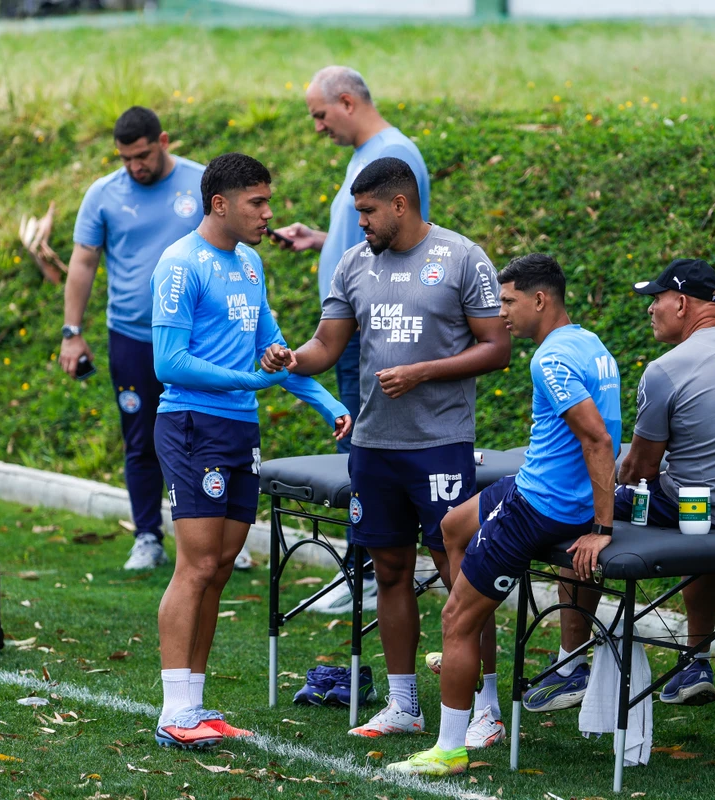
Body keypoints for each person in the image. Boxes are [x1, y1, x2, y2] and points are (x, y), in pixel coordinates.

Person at [261, 156, 510, 740]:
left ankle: (487, 708)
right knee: (390, 570)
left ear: (401, 204)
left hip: (439, 445)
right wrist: (293, 358)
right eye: (357, 213)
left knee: (463, 576)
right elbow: (327, 343)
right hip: (372, 446)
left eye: (368, 212)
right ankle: (404, 705)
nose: (361, 223)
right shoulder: (353, 263)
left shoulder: (462, 257)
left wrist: (423, 372)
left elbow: (496, 348)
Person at [387, 253, 622, 777]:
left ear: (540, 299)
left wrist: (601, 530)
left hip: (540, 507)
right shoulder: (591, 344)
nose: (501, 312)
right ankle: (470, 643)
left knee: (454, 618)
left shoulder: (550, 360)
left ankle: (456, 740)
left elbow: (598, 439)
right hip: (544, 488)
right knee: (452, 526)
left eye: (509, 301)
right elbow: (584, 439)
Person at [522, 258, 715, 714]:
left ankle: (569, 668)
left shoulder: (667, 369)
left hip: (702, 512)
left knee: (582, 513)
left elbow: (639, 470)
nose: (651, 309)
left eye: (657, 299)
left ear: (682, 303)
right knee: (700, 504)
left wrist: (614, 483)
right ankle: (696, 659)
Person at [149, 153, 351, 748]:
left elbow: (274, 350)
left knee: (219, 569)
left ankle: (195, 706)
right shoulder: (181, 265)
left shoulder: (251, 263)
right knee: (197, 565)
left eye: (267, 200)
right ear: (221, 204)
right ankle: (172, 712)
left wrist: (324, 401)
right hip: (192, 425)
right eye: (257, 203)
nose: (268, 213)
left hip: (239, 429)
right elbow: (170, 363)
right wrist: (249, 380)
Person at [273, 65, 430, 615]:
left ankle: (367, 572)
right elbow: (368, 238)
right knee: (356, 448)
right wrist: (319, 240)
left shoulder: (394, 154)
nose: (317, 126)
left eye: (319, 114)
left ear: (346, 101)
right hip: (350, 329)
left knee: (365, 455)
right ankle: (363, 567)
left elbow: (403, 243)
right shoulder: (365, 155)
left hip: (369, 334)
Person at [63, 106, 207, 571]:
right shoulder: (103, 194)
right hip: (131, 337)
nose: (134, 166)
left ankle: (219, 536)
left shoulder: (202, 184)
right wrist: (72, 333)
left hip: (196, 338)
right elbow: (83, 262)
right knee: (140, 439)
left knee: (205, 434)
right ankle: (148, 536)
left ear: (163, 140)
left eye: (142, 155)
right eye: (125, 158)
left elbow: (233, 247)